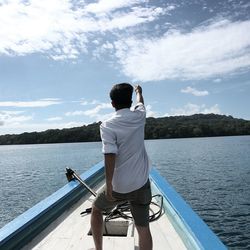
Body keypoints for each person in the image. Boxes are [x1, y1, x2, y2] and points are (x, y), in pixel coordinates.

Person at [90, 83, 152, 250]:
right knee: (143, 228)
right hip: (141, 184)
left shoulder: (107, 125)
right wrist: (139, 91)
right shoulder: (139, 115)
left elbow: (110, 155)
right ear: (130, 101)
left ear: (112, 104)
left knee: (96, 210)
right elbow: (141, 102)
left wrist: (109, 186)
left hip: (120, 187)